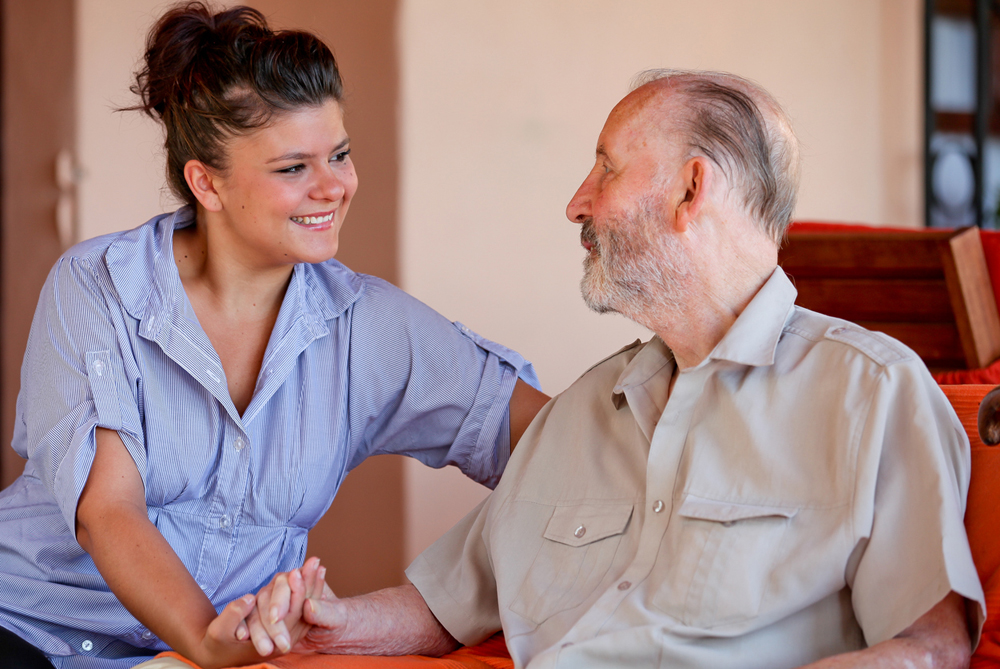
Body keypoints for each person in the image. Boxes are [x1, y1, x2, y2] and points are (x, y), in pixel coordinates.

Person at [195, 69, 989, 669]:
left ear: (691, 189)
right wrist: (330, 620)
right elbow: (448, 604)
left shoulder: (871, 392)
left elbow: (930, 642)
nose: (577, 203)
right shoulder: (581, 411)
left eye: (606, 169)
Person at [0, 4, 549, 669]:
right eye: (293, 168)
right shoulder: (98, 286)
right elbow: (107, 510)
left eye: (339, 155)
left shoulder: (366, 327)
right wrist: (206, 637)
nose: (334, 187)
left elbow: (549, 441)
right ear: (206, 181)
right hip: (30, 627)